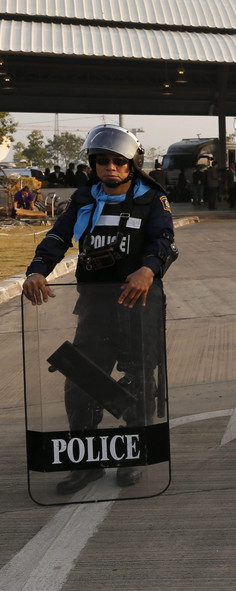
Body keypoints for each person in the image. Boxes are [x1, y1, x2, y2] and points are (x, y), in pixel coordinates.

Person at [22, 124, 177, 495]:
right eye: (102, 161)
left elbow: (165, 241)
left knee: (139, 382)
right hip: (94, 308)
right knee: (80, 382)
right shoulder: (84, 200)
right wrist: (36, 270)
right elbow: (58, 237)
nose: (110, 168)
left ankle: (132, 456)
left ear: (131, 164)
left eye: (118, 162)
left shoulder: (152, 199)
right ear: (93, 165)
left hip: (139, 306)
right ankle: (85, 463)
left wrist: (148, 268)